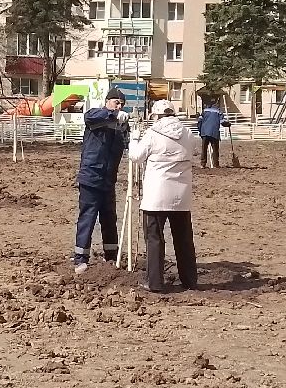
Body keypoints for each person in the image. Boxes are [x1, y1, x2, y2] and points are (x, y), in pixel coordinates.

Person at [130, 99, 197, 293]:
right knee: (184, 239)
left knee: (154, 238)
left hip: (156, 195)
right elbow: (193, 149)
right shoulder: (188, 133)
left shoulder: (153, 134)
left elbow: (136, 157)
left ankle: (155, 282)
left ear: (156, 116)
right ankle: (189, 280)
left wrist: (134, 139)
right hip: (181, 195)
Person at [73, 87, 130, 274]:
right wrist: (112, 114)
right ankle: (80, 258)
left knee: (109, 218)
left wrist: (131, 134)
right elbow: (89, 116)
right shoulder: (97, 116)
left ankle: (111, 256)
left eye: (122, 104)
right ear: (107, 102)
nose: (119, 106)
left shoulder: (121, 123)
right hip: (91, 176)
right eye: (116, 102)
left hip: (109, 178)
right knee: (88, 217)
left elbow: (128, 145)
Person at [197, 97, 230, 168]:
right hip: (214, 133)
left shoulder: (204, 111)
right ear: (216, 103)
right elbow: (222, 122)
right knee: (215, 149)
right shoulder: (219, 112)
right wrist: (228, 124)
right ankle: (216, 164)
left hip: (204, 132)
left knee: (204, 149)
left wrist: (200, 131)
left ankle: (203, 164)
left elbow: (199, 121)